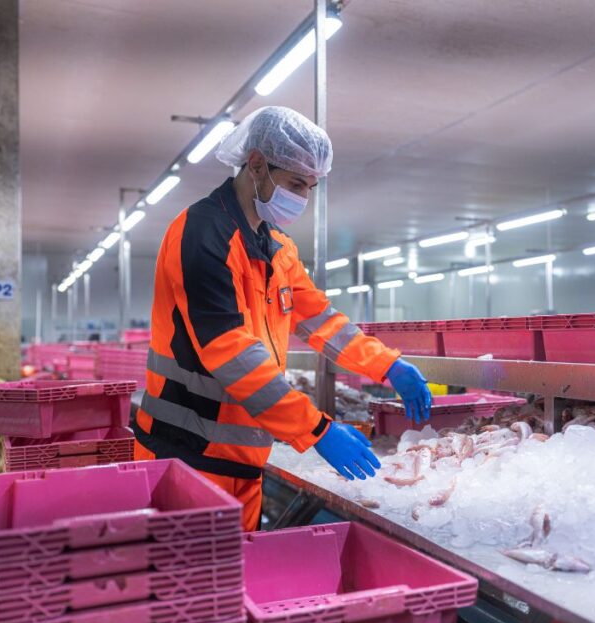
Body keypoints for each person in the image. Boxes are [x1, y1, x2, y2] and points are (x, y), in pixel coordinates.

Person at [132, 106, 431, 531]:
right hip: (185, 458)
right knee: (187, 591)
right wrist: (316, 430)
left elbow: (320, 320)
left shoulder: (276, 247)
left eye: (309, 187)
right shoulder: (201, 234)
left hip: (242, 460)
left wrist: (388, 365)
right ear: (255, 165)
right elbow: (231, 353)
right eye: (295, 183)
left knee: (234, 588)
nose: (303, 198)